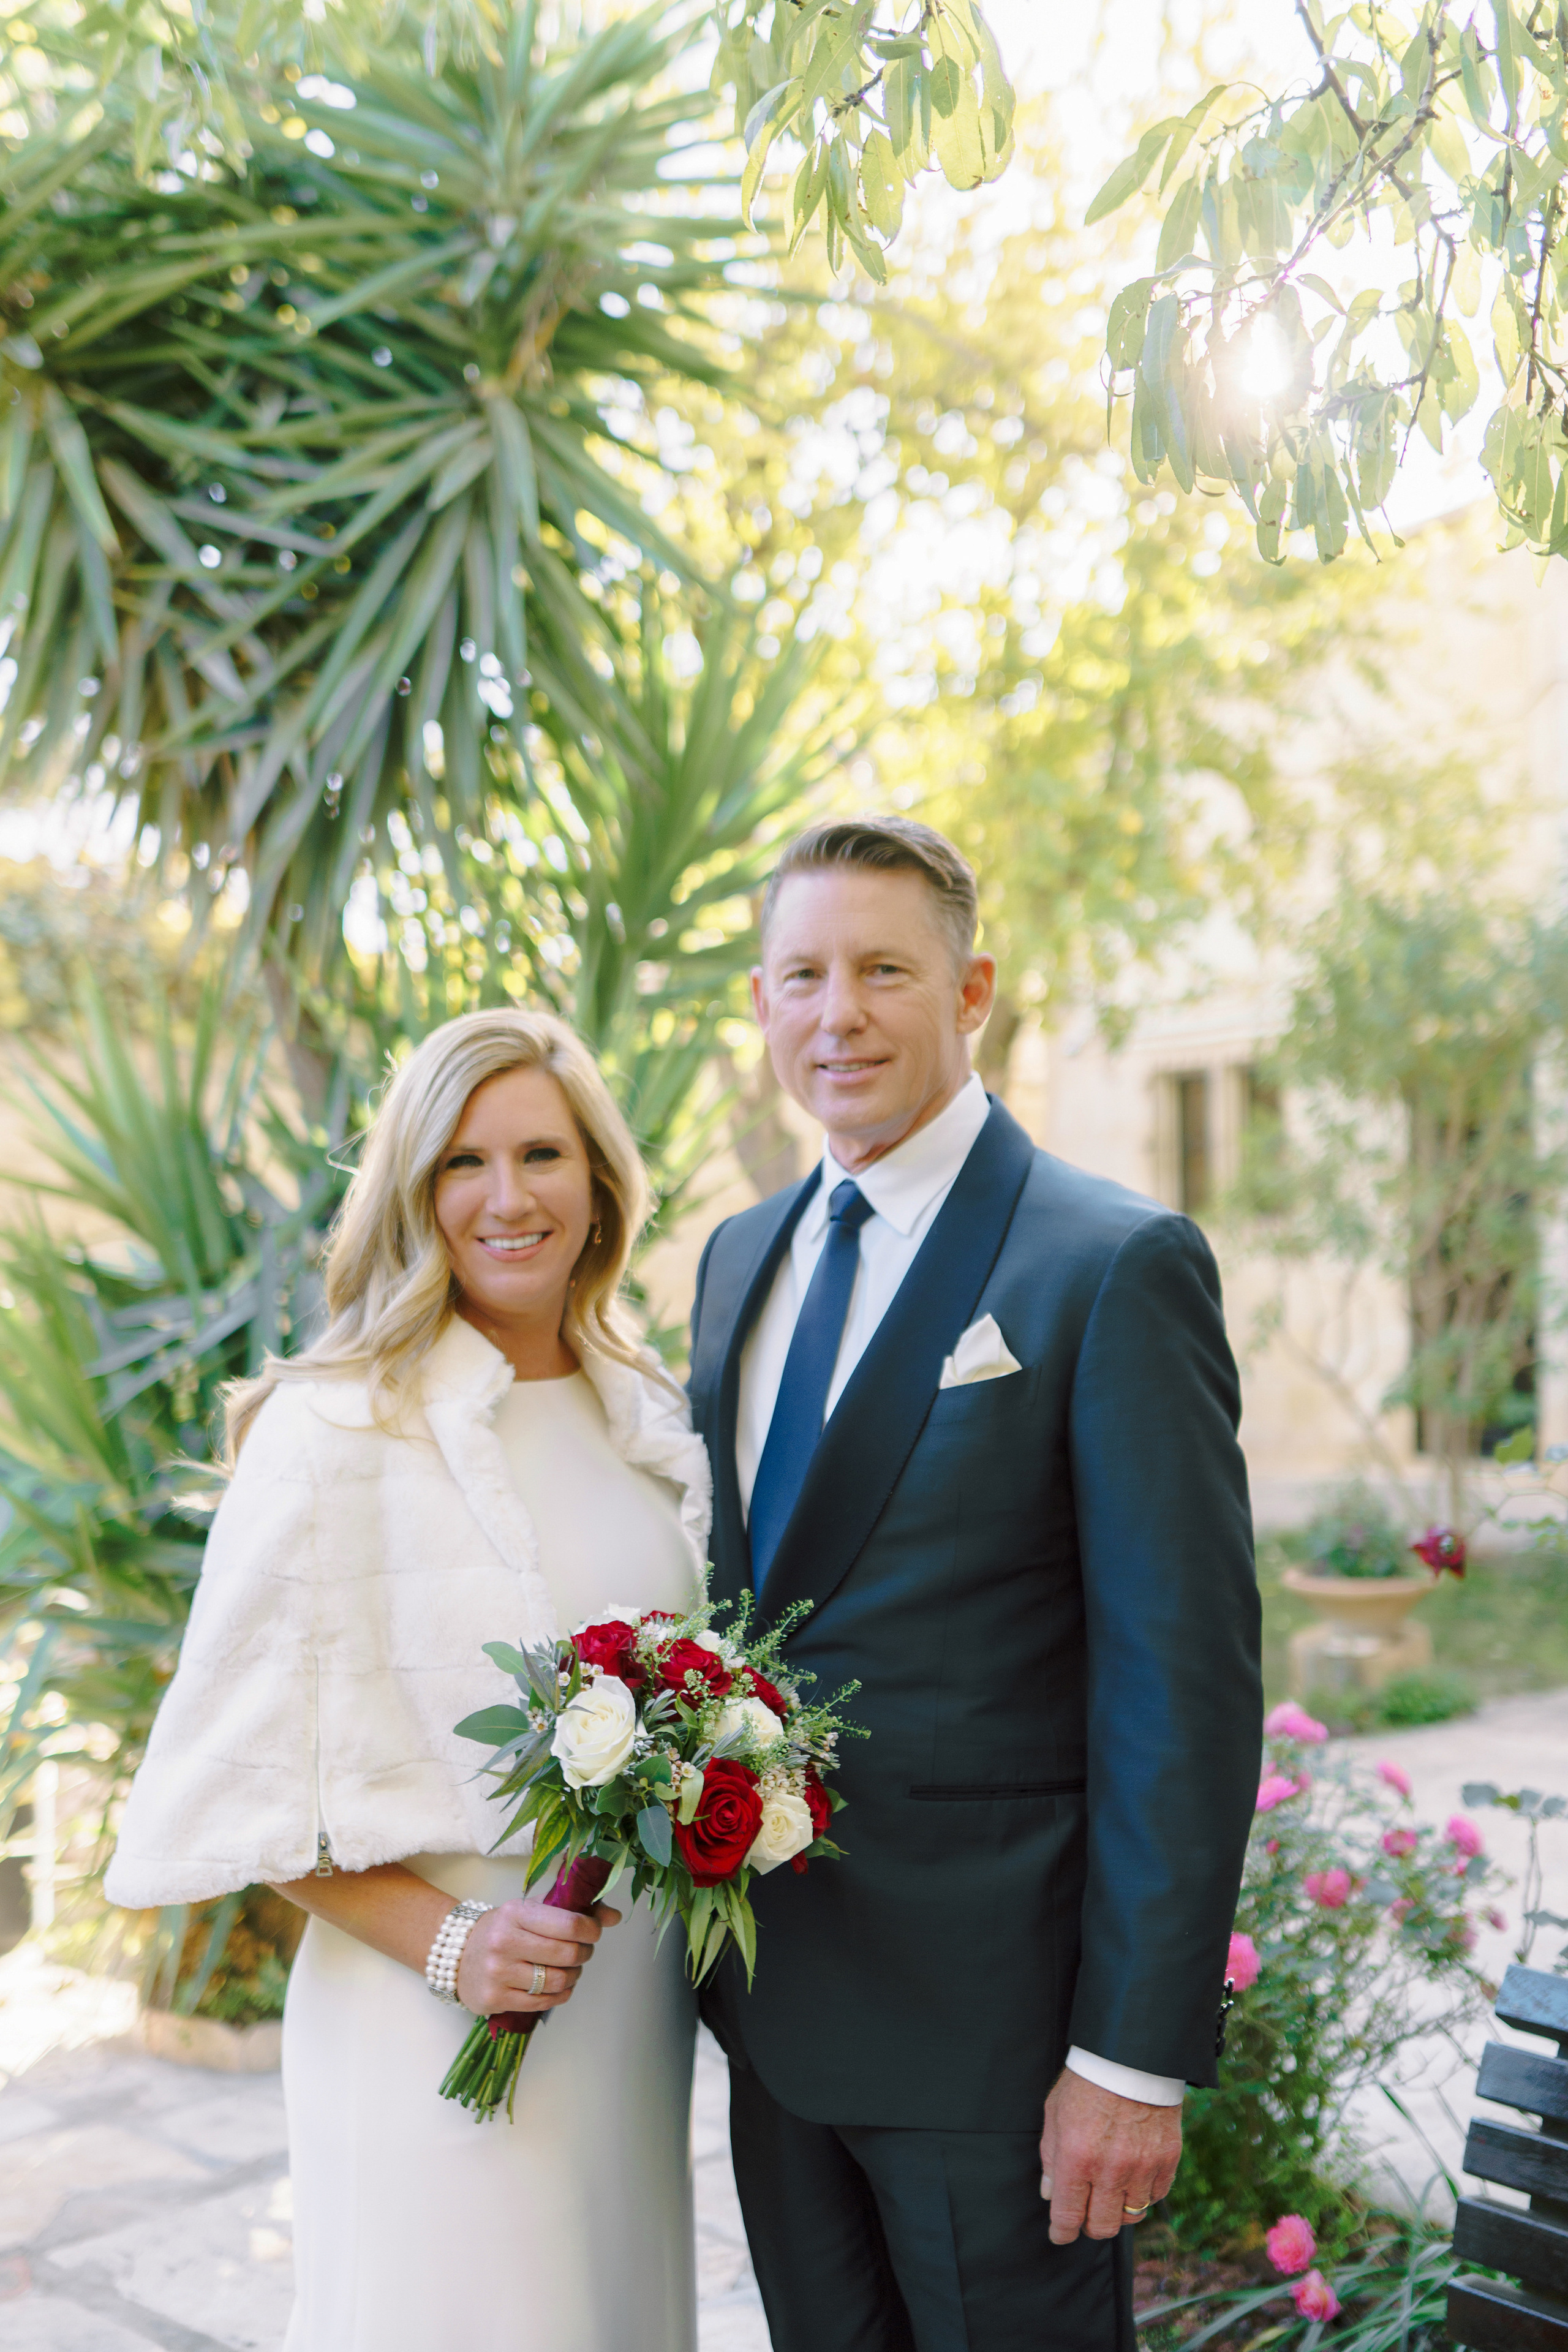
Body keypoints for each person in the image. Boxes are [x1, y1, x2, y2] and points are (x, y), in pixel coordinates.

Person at [688, 816, 1263, 2352]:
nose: (840, 1013)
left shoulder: (1108, 1262)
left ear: (972, 990)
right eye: (802, 975)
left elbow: (1180, 1688)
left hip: (1000, 2056)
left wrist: (1129, 2063)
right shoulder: (738, 1263)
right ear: (760, 1005)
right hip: (778, 2020)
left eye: (885, 969)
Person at [106, 1009, 711, 2352]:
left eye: (543, 1153)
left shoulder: (649, 1412)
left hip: (622, 2010)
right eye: (461, 1162)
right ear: (412, 1192)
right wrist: (459, 1946)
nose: (508, 1198)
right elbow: (249, 1794)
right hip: (423, 2018)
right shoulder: (333, 1427)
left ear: (600, 1182)